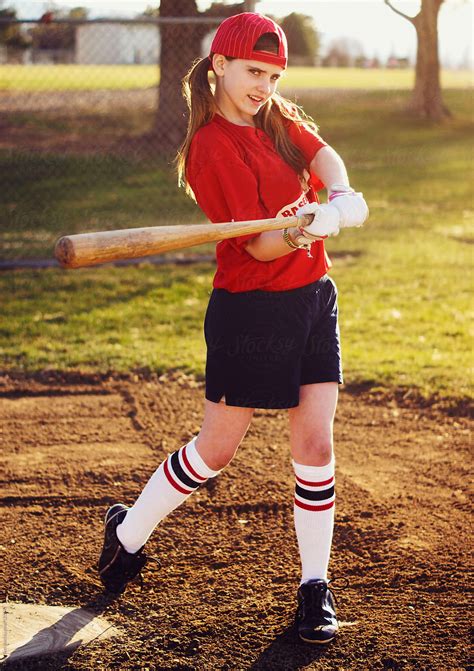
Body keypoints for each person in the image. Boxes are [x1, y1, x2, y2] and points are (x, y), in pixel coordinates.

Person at [98, 12, 368, 645]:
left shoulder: (274, 119)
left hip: (312, 301)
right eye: (253, 71)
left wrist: (340, 190)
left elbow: (320, 152)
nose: (263, 86)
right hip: (250, 310)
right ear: (219, 65)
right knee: (215, 452)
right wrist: (308, 224)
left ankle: (313, 588)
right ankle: (129, 532)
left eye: (273, 75)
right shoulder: (211, 148)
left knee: (316, 448)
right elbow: (261, 248)